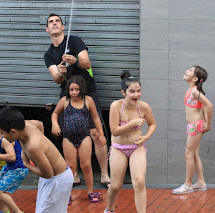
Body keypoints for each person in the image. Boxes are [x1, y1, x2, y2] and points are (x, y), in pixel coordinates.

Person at [44, 13, 110, 187]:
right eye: (51, 22)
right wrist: (60, 72)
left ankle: (104, 174)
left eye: (57, 21)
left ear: (63, 26)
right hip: (67, 96)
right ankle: (74, 174)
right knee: (70, 133)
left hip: (87, 92)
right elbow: (57, 80)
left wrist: (75, 61)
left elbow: (87, 63)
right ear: (47, 29)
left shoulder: (74, 41)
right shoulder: (49, 54)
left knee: (95, 132)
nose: (54, 24)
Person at [0, 107, 73, 213]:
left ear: (13, 131)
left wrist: (27, 164)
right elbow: (40, 124)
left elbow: (48, 174)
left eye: (3, 133)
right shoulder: (27, 125)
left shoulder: (33, 146)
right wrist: (43, 149)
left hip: (57, 180)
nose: (3, 137)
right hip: (54, 177)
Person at [105, 71, 156, 213]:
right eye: (132, 91)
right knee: (115, 185)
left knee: (139, 182)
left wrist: (146, 137)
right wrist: (132, 123)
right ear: (123, 92)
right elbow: (114, 131)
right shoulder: (115, 106)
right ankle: (109, 209)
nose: (136, 95)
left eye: (138, 91)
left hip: (136, 147)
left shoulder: (144, 107)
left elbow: (152, 124)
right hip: (118, 147)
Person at [51, 75, 106, 203]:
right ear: (68, 90)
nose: (74, 93)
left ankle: (91, 192)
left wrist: (101, 134)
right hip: (68, 138)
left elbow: (96, 118)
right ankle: (67, 194)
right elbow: (55, 113)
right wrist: (55, 123)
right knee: (70, 166)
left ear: (82, 89)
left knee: (86, 165)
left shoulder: (88, 100)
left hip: (84, 137)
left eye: (76, 89)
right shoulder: (65, 101)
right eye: (71, 90)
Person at [172, 66, 213, 194]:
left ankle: (188, 184)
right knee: (194, 154)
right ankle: (200, 182)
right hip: (194, 125)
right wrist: (206, 121)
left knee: (188, 154)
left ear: (194, 78)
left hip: (196, 126)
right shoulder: (191, 90)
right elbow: (203, 106)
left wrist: (208, 123)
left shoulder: (195, 91)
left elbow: (209, 105)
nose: (186, 71)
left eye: (190, 70)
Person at [0, 110, 30, 213]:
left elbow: (12, 156)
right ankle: (5, 211)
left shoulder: (4, 139)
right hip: (10, 167)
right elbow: (4, 150)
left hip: (18, 168)